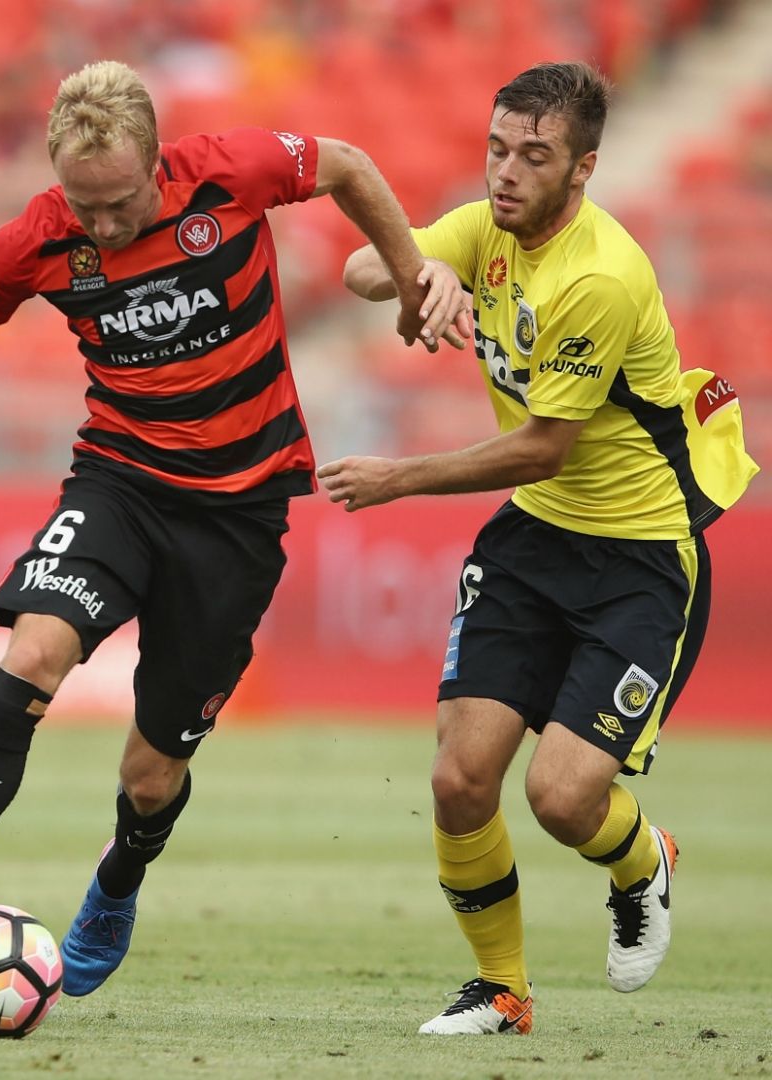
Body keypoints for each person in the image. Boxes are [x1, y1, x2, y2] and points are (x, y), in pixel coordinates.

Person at [0, 59, 459, 1001]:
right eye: (86, 206)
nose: (103, 227)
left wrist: (408, 278)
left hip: (240, 513)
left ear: (160, 163)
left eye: (119, 205)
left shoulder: (234, 168)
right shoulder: (41, 234)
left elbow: (350, 164)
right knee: (33, 654)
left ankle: (117, 882)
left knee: (152, 776)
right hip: (119, 485)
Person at [322, 61, 757, 1036]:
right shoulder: (490, 224)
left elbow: (542, 445)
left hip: (640, 557)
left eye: (535, 156)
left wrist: (398, 478)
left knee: (562, 797)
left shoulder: (600, 276)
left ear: (584, 169)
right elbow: (356, 271)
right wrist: (418, 266)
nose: (506, 173)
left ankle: (644, 862)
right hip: (535, 540)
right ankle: (504, 992)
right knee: (457, 779)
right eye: (495, 149)